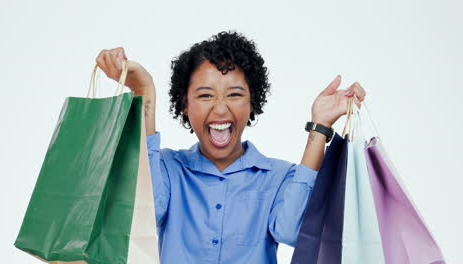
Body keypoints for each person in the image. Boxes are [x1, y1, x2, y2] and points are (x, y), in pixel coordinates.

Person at [95, 31, 366, 264]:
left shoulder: (279, 177)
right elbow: (145, 211)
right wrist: (144, 91)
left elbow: (291, 231)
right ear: (185, 106)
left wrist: (320, 126)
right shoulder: (168, 168)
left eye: (235, 94)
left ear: (252, 104)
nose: (221, 108)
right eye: (205, 95)